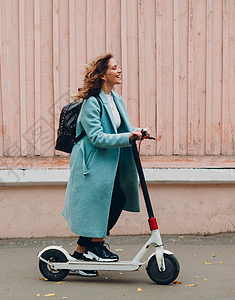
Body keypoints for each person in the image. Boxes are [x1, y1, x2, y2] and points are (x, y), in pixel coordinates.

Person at [62, 53, 150, 277]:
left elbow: (120, 129)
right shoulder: (92, 103)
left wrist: (137, 132)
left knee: (108, 202)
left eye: (118, 67)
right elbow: (97, 137)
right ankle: (96, 244)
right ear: (102, 75)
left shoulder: (116, 99)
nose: (119, 71)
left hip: (109, 162)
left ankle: (82, 253)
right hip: (91, 164)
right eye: (114, 68)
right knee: (110, 201)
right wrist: (128, 137)